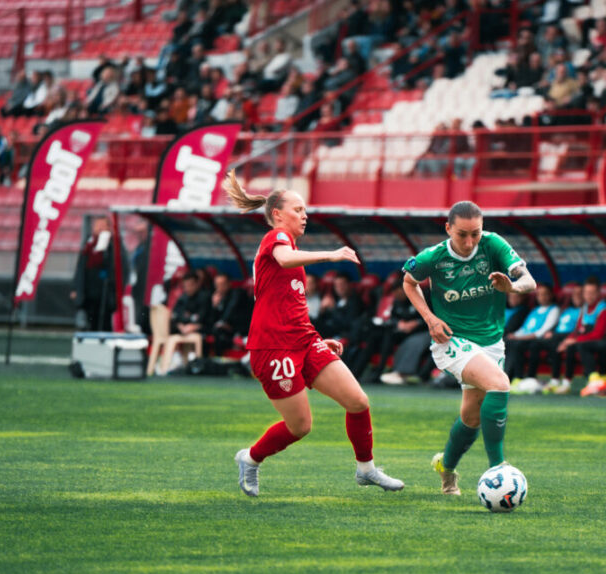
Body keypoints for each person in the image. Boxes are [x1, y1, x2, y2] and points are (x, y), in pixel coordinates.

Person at [222, 170, 403, 496]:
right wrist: (331, 254)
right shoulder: (275, 239)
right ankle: (250, 458)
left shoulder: (290, 248)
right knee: (300, 426)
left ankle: (366, 470)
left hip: (304, 341)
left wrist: (317, 338)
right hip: (273, 348)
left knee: (358, 401)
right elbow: (284, 258)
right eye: (298, 209)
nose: (305, 215)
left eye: (305, 210)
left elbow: (289, 304)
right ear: (278, 214)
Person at [402, 201, 536, 496]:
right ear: (448, 229)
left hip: (491, 342)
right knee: (500, 384)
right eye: (462, 234)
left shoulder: (493, 244)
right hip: (452, 340)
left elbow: (529, 281)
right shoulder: (433, 257)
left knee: (471, 418)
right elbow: (409, 282)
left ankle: (446, 468)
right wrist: (430, 319)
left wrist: (512, 287)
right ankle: (499, 468)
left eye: (475, 233)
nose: (469, 242)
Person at [505, 284, 560, 392]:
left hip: (537, 340)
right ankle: (510, 377)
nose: (542, 297)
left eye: (545, 294)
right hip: (525, 338)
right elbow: (524, 328)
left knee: (518, 345)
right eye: (539, 294)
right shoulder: (534, 310)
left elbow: (542, 331)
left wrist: (519, 338)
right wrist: (515, 335)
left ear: (551, 295)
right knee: (508, 341)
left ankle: (520, 377)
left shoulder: (554, 309)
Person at [70, 217, 121, 332]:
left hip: (106, 292)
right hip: (89, 291)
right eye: (97, 225)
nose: (99, 228)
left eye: (103, 225)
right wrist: (75, 288)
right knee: (90, 320)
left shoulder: (114, 244)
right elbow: (81, 267)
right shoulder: (88, 244)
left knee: (105, 321)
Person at [161, 270, 210, 373]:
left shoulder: (205, 297)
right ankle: (173, 360)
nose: (188, 288)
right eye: (185, 286)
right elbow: (176, 316)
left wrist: (192, 324)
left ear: (197, 284)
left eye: (190, 285)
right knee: (171, 327)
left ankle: (199, 364)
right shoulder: (183, 298)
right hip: (182, 329)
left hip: (202, 329)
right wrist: (182, 325)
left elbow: (202, 318)